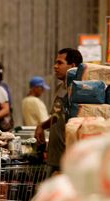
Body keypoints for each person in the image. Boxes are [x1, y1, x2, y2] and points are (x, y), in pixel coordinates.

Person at [35, 48, 82, 177]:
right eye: (56, 63)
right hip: (54, 156)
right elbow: (56, 116)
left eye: (60, 63)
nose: (55, 66)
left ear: (73, 66)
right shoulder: (61, 88)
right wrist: (42, 126)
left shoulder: (79, 91)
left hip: (67, 158)